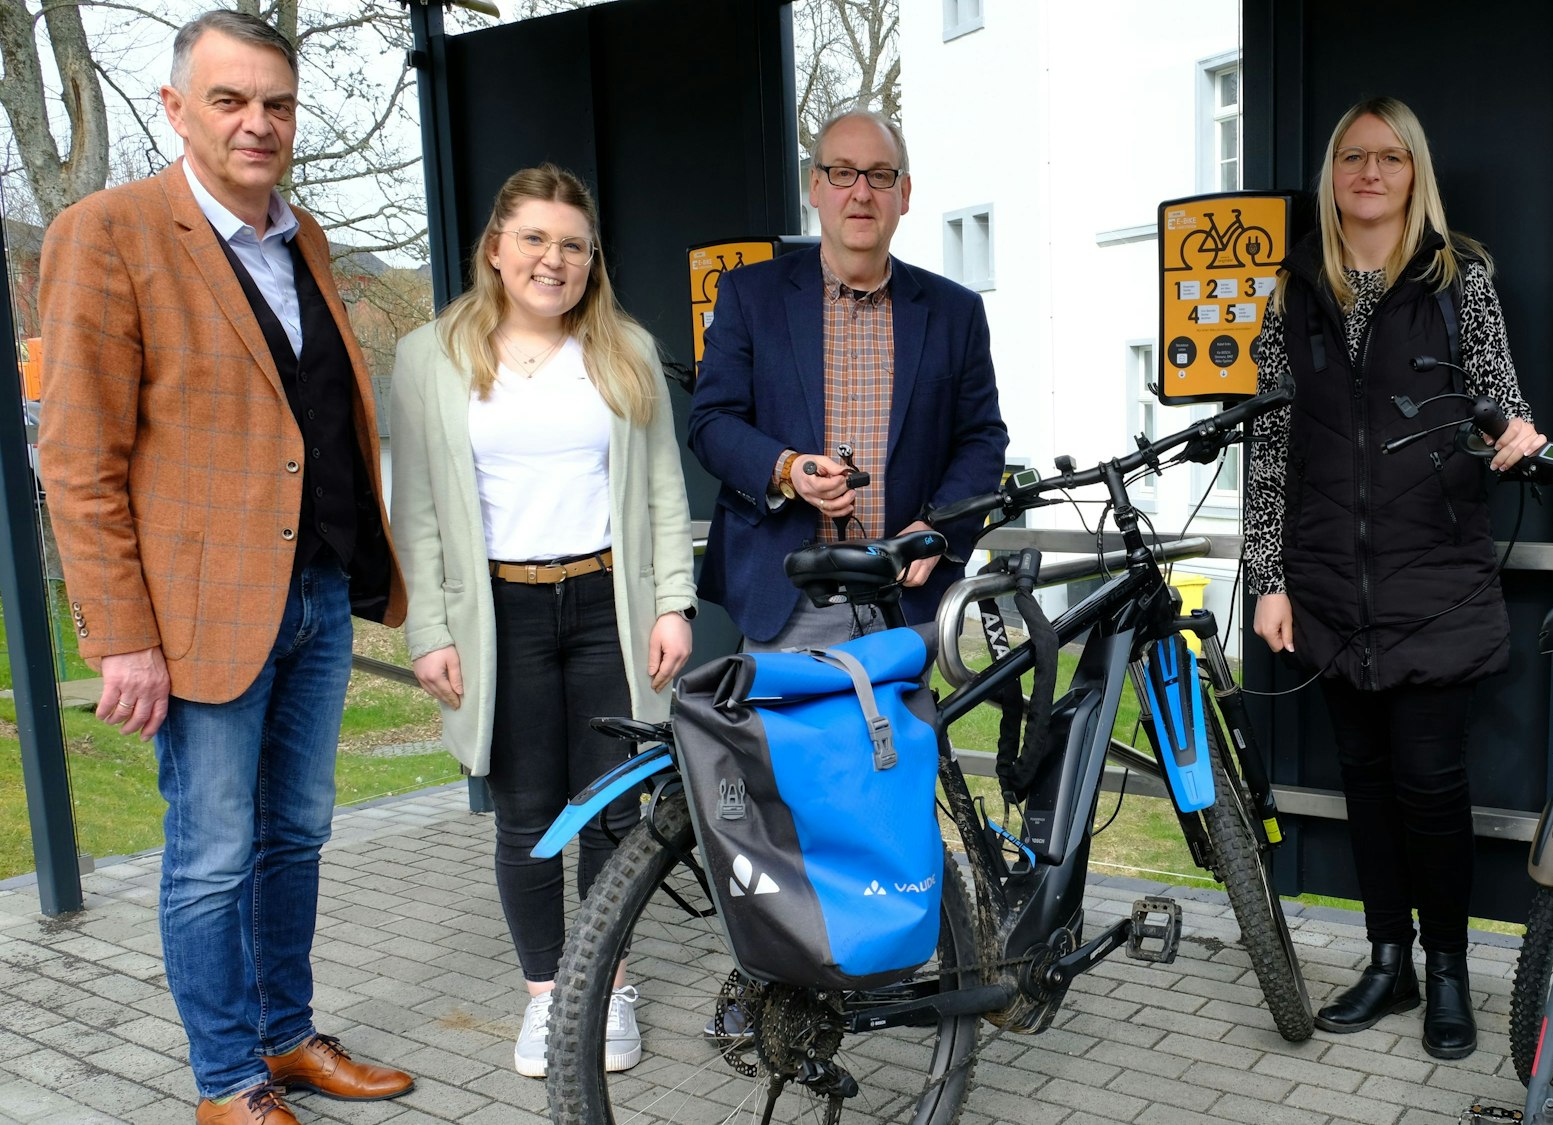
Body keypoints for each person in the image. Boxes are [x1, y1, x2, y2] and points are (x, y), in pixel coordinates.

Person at [35, 11, 411, 1124]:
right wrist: (123, 636)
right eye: (230, 101)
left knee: (296, 832)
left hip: (317, 597)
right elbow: (78, 458)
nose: (259, 123)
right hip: (195, 619)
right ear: (175, 109)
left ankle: (286, 1037)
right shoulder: (108, 232)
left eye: (277, 103)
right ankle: (226, 1083)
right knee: (210, 857)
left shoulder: (306, 239)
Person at [1245, 96, 1546, 1061]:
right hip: (1327, 581)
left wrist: (1516, 436)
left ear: (1414, 172)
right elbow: (1269, 442)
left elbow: (1500, 401)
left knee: (1430, 785)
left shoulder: (1461, 283)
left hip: (1435, 577)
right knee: (1365, 785)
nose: (1369, 174)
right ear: (1332, 175)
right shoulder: (1293, 293)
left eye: (1389, 158)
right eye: (1351, 158)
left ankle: (1449, 968)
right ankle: (1390, 959)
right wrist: (1267, 576)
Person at [389, 165, 698, 1078]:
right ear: (495, 247)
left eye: (572, 243)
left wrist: (674, 601)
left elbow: (663, 490)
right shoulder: (430, 357)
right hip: (500, 614)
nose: (552, 260)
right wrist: (428, 630)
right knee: (525, 817)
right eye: (533, 238)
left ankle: (608, 984)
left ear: (590, 257)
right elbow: (420, 514)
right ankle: (546, 997)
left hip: (610, 605)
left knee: (612, 815)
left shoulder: (625, 350)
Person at [687, 109, 1008, 651]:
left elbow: (982, 439)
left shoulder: (955, 312)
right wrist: (788, 469)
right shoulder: (750, 296)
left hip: (905, 597)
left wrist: (937, 530)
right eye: (842, 172)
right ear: (816, 186)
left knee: (902, 738)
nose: (861, 192)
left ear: (904, 194)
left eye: (880, 175)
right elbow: (712, 422)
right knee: (783, 738)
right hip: (789, 591)